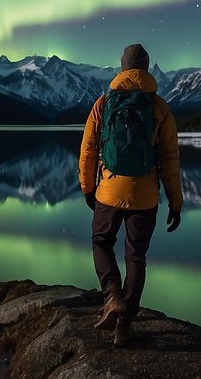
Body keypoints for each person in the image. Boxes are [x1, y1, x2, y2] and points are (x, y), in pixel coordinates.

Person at [78, 42, 182, 347]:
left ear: (122, 68)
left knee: (101, 242)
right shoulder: (160, 107)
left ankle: (111, 295)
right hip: (146, 196)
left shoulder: (103, 102)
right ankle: (124, 326)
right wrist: (175, 203)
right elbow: (171, 160)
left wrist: (87, 187)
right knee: (136, 256)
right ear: (147, 69)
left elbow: (88, 150)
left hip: (108, 190)